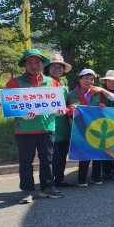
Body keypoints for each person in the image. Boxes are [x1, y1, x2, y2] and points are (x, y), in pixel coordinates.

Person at [7, 49, 65, 203]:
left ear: (43, 64)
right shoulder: (14, 82)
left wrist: (60, 111)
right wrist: (20, 114)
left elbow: (58, 103)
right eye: (30, 62)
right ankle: (27, 190)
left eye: (37, 62)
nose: (34, 65)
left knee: (47, 160)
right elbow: (10, 106)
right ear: (24, 64)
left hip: (47, 128)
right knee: (26, 161)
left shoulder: (52, 82)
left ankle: (47, 187)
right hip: (24, 130)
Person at [68, 69, 114, 186]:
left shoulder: (97, 92)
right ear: (79, 79)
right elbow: (68, 112)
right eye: (86, 78)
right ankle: (81, 179)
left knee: (97, 152)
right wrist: (71, 110)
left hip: (97, 127)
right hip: (81, 128)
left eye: (92, 79)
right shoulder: (71, 94)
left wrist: (102, 105)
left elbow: (103, 105)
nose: (89, 81)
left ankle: (95, 177)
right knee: (84, 154)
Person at [43, 54, 75, 187]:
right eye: (54, 67)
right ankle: (48, 182)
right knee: (51, 156)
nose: (57, 69)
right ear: (48, 69)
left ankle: (60, 179)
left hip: (63, 126)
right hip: (49, 125)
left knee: (62, 155)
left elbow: (66, 106)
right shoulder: (43, 84)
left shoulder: (63, 86)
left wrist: (72, 108)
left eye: (60, 67)